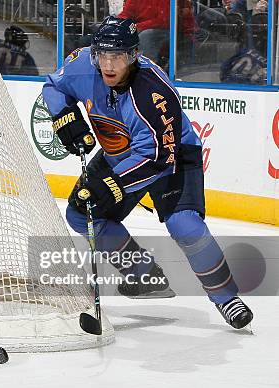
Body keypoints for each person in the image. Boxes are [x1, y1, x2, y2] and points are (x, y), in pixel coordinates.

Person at [42, 16, 253, 330]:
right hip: (120, 152)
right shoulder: (82, 65)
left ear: (134, 55)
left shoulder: (153, 92)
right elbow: (54, 86)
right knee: (81, 215)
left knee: (185, 225)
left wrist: (113, 184)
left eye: (119, 57)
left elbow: (156, 160)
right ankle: (144, 275)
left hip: (173, 156)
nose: (109, 65)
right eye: (103, 56)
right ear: (94, 53)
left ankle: (226, 298)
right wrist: (65, 116)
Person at [118, 0, 196, 66]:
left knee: (146, 36)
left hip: (176, 32)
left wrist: (138, 27)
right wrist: (117, 24)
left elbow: (165, 20)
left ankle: (149, 70)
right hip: (145, 31)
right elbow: (126, 14)